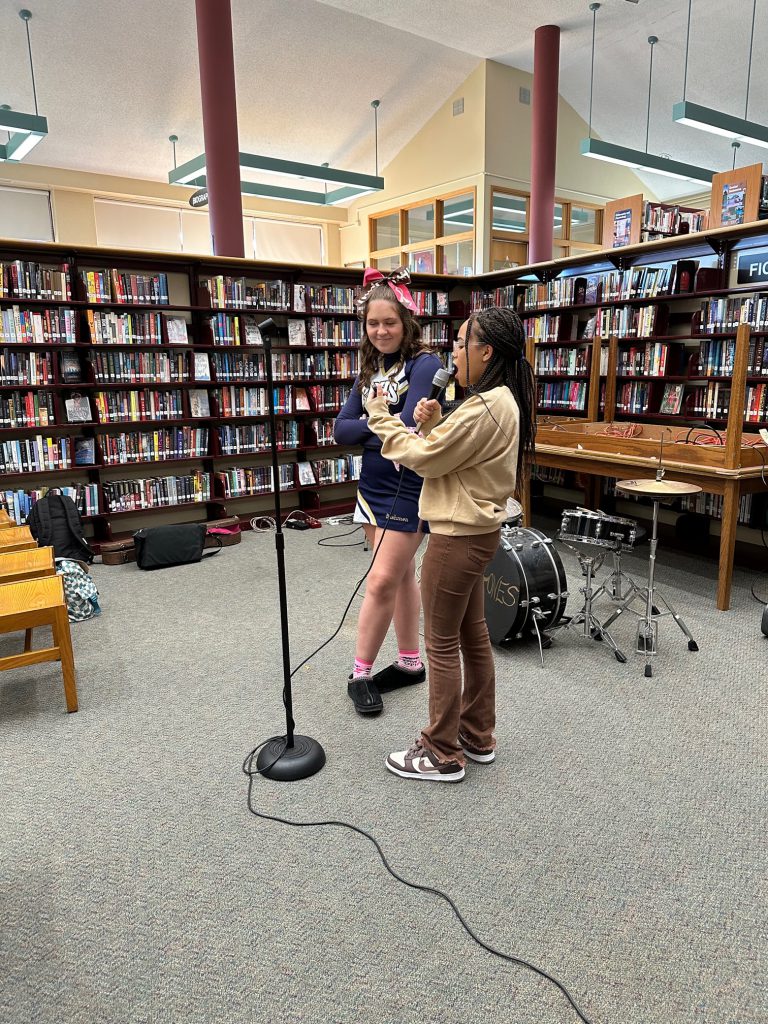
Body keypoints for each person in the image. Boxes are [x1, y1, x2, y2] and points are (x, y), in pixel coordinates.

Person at [364, 306, 536, 782]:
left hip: (455, 538)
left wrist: (380, 415)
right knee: (471, 635)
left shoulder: (485, 406)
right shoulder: (499, 401)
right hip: (479, 534)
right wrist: (438, 420)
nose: (453, 352)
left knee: (439, 645)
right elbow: (457, 457)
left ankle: (441, 751)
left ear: (486, 351)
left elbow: (423, 457)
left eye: (461, 344)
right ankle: (477, 736)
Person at [333, 268, 443, 716]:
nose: (381, 331)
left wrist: (373, 427)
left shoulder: (426, 364)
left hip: (410, 486)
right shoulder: (369, 369)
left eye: (389, 323)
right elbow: (341, 430)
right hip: (374, 485)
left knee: (379, 580)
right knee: (398, 576)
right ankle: (411, 662)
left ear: (407, 322)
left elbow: (411, 426)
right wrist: (381, 426)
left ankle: (360, 672)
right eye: (373, 324)